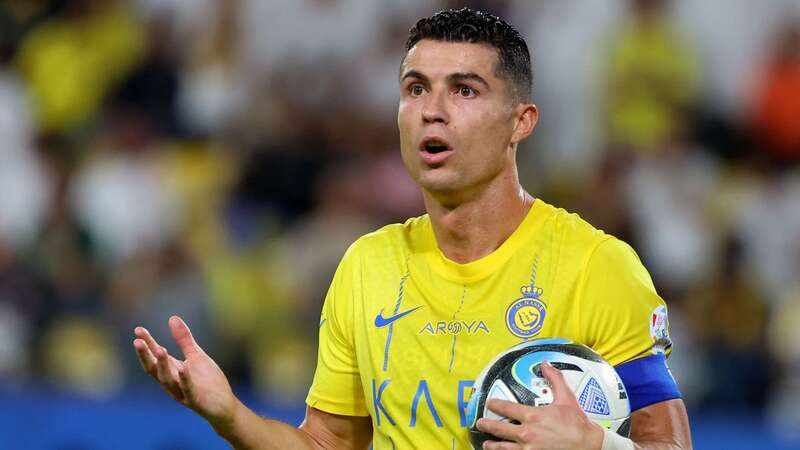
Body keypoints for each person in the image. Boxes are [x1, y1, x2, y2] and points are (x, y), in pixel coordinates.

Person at [133, 8, 691, 450]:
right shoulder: (367, 266)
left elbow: (668, 445)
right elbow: (327, 446)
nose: (432, 110)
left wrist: (597, 448)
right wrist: (231, 417)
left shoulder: (598, 266)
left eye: (465, 90)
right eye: (416, 88)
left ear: (520, 123)